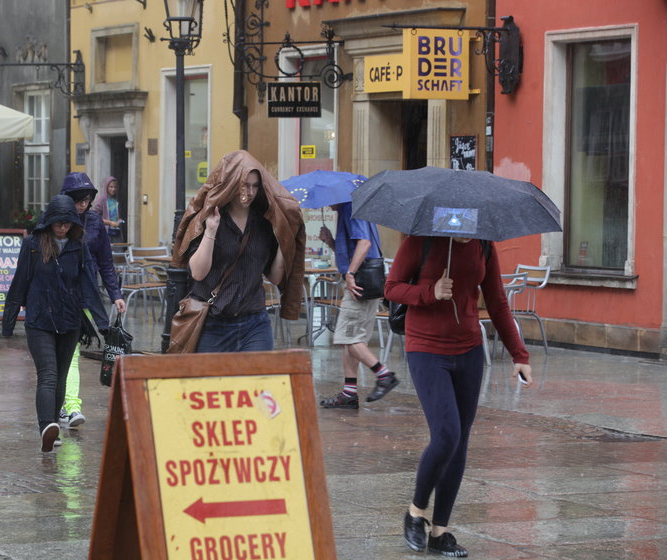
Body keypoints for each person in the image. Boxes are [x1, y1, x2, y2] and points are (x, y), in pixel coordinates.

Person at [384, 236, 532, 557]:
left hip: (468, 351)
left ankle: (440, 532)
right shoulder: (420, 241)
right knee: (446, 434)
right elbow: (392, 287)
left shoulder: (484, 247)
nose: (467, 226)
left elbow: (497, 301)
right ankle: (415, 511)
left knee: (460, 440)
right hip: (425, 348)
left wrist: (519, 354)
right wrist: (429, 292)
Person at [2, 194, 111, 452]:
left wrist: (102, 324)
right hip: (39, 321)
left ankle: (53, 428)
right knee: (48, 374)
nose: (63, 228)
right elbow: (20, 282)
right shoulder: (32, 245)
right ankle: (46, 426)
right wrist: (8, 322)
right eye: (59, 223)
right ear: (49, 221)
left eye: (67, 223)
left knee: (61, 377)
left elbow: (88, 287)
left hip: (70, 322)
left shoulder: (78, 246)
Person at [171, 150, 305, 353]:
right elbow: (198, 273)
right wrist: (211, 231)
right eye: (244, 185)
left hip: (254, 323)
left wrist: (284, 241)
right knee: (212, 385)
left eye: (255, 186)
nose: (249, 192)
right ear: (231, 184)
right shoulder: (209, 219)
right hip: (212, 324)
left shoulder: (265, 223)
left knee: (259, 383)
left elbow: (276, 278)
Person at [57, 172, 127, 428]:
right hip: (57, 298)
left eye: (86, 200)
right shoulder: (55, 221)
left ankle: (72, 407)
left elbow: (106, 263)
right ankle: (59, 405)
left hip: (85, 299)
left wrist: (116, 295)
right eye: (77, 200)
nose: (82, 205)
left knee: (72, 353)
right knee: (59, 356)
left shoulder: (96, 223)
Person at [317, 202, 398, 409]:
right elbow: (356, 248)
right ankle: (349, 393)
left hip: (359, 282)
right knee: (350, 340)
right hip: (366, 280)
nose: (327, 204)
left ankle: (384, 375)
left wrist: (350, 273)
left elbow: (364, 244)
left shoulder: (351, 207)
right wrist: (332, 242)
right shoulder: (358, 207)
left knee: (347, 336)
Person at [92, 176, 123, 242]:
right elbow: (96, 217)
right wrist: (110, 223)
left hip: (116, 231)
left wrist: (119, 221)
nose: (113, 189)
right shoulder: (101, 200)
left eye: (115, 187)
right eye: (111, 187)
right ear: (106, 187)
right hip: (105, 232)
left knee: (118, 250)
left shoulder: (117, 200)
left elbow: (118, 216)